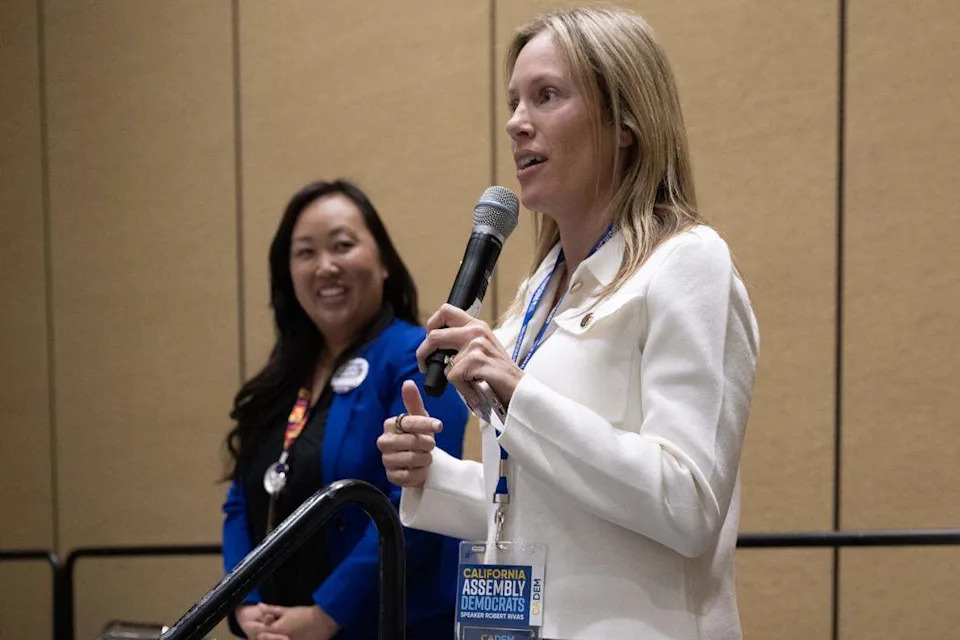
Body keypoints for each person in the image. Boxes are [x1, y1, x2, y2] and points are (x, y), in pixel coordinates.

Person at [378, 8, 759, 640]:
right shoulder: (538, 290)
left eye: (546, 96)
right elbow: (548, 503)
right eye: (513, 102)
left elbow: (688, 503)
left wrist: (520, 394)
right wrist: (432, 476)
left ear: (625, 122)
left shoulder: (688, 264)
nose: (516, 122)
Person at [221, 179, 468, 640]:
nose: (326, 267)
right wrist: (242, 604)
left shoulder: (419, 357)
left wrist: (326, 615)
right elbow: (241, 500)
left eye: (343, 245)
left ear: (384, 261)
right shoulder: (282, 378)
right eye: (306, 253)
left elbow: (417, 504)